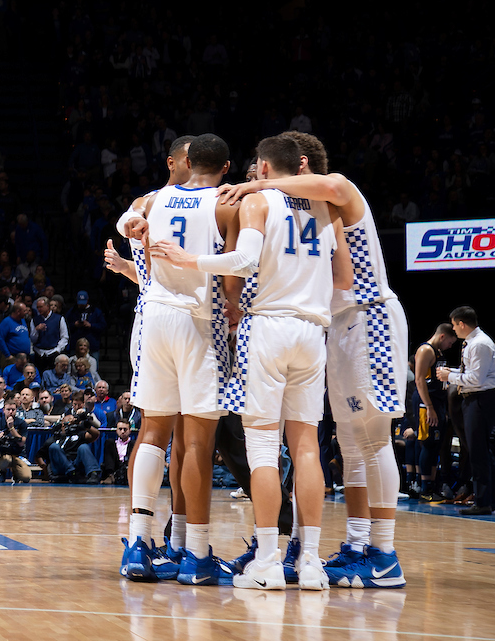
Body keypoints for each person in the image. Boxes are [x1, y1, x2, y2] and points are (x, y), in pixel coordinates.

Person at [155, 134, 351, 590]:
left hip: (269, 326)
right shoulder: (327, 207)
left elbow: (243, 261)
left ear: (262, 168)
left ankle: (267, 560)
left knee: (263, 447)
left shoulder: (259, 202)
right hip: (313, 330)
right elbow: (343, 277)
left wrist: (191, 259)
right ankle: (309, 564)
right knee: (306, 447)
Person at [219, 130, 410, 588]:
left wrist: (259, 187)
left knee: (374, 438)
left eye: (263, 169)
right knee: (348, 442)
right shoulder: (313, 211)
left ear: (295, 165)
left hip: (368, 315)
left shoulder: (337, 190)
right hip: (329, 325)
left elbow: (329, 188)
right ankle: (357, 544)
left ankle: (383, 553)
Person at [117, 133, 236, 585]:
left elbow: (129, 216)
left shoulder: (154, 198)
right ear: (225, 167)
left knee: (153, 432)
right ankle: (196, 555)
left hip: (155, 317)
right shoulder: (225, 203)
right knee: (198, 445)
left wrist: (128, 221)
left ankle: (138, 543)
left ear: (186, 161)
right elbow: (243, 264)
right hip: (197, 320)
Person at [436, 307, 495, 515]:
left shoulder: (480, 344)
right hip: (474, 399)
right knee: (481, 451)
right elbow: (470, 373)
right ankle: (489, 499)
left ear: (462, 323)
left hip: (480, 399)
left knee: (478, 451)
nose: (453, 328)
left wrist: (449, 377)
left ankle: (483, 502)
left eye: (454, 324)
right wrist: (451, 372)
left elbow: (477, 380)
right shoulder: (472, 342)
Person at [411, 323, 457, 500]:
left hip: (437, 401)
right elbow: (419, 380)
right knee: (429, 443)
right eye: (450, 343)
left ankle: (431, 486)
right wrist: (429, 407)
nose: (450, 347)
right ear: (443, 336)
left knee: (437, 444)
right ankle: (425, 489)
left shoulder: (438, 352)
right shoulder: (425, 350)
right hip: (426, 402)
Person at [0, 402, 30, 483]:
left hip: (18, 455)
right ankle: (2, 471)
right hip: (4, 455)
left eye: (13, 410)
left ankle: (16, 473)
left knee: (26, 477)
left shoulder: (21, 423)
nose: (10, 412)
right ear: (4, 410)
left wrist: (12, 428)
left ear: (16, 411)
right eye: (8, 409)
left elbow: (22, 442)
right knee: (6, 460)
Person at [103, 420, 135, 484]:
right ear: (116, 431)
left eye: (125, 429)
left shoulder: (133, 444)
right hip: (115, 466)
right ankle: (110, 475)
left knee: (133, 444)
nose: (122, 432)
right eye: (120, 429)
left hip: (128, 466)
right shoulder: (113, 443)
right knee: (109, 442)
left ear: (130, 430)